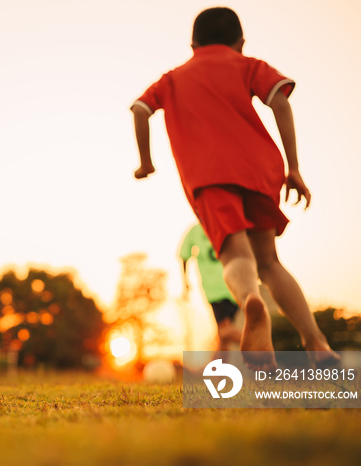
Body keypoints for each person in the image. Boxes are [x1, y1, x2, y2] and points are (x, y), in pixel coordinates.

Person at [130, 7, 337, 370]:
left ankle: (250, 302)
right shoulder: (248, 65)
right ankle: (317, 342)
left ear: (193, 43)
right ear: (240, 42)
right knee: (270, 261)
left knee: (237, 256)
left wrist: (146, 162)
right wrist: (294, 167)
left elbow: (140, 109)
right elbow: (280, 101)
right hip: (260, 171)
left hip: (210, 178)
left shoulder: (174, 78)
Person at [179, 223, 241, 355]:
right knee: (224, 337)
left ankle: (259, 345)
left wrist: (185, 282)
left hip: (216, 290)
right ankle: (216, 374)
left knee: (224, 331)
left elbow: (183, 255)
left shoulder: (195, 230)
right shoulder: (224, 223)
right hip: (236, 285)